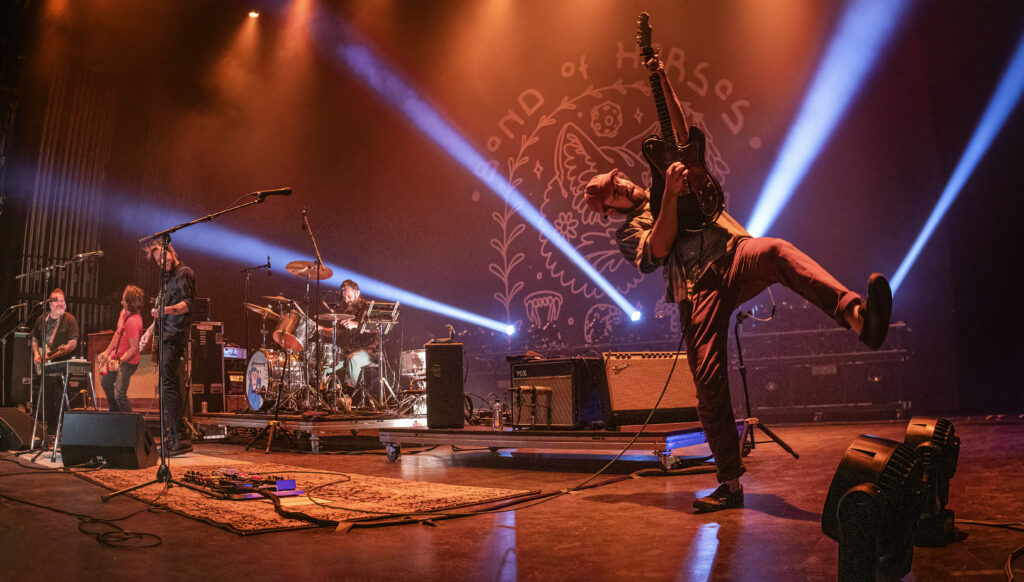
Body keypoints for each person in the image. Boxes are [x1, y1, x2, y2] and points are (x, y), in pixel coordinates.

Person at [583, 55, 893, 513]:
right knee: (708, 381)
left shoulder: (666, 171)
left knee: (777, 250)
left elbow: (680, 131)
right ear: (609, 209)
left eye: (617, 179)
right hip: (698, 288)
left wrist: (661, 77)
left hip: (732, 254)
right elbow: (660, 248)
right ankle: (729, 482)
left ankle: (857, 316)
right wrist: (669, 196)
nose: (621, 185)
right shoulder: (629, 230)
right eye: (613, 191)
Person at [140, 241, 195, 456]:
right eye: (157, 261)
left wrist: (166, 310)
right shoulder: (167, 280)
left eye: (162, 257)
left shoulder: (184, 273)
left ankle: (181, 437)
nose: (161, 262)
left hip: (175, 336)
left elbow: (187, 305)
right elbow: (160, 313)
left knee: (168, 386)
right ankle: (174, 436)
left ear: (171, 250)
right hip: (164, 336)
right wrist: (148, 332)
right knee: (166, 387)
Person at [30, 288, 79, 434]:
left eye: (62, 300)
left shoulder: (70, 320)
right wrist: (36, 354)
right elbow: (34, 339)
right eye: (56, 301)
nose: (60, 303)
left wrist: (57, 354)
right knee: (46, 393)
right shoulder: (41, 319)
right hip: (44, 364)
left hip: (62, 363)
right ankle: (50, 425)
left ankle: (59, 426)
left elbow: (72, 344)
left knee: (59, 393)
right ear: (50, 304)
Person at [98, 285, 145, 413]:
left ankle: (130, 421)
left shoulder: (133, 322)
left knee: (119, 394)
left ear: (129, 303)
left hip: (128, 362)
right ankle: (115, 414)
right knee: (106, 383)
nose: (121, 302)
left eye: (123, 300)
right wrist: (107, 352)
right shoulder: (123, 313)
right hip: (116, 357)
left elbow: (133, 349)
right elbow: (118, 333)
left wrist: (119, 362)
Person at [334, 279, 379, 398]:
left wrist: (355, 324)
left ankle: (348, 396)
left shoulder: (369, 308)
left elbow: (377, 328)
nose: (346, 300)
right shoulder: (347, 311)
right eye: (344, 297)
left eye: (349, 296)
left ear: (357, 293)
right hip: (351, 349)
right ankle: (323, 396)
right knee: (327, 362)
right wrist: (320, 328)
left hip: (370, 350)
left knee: (353, 359)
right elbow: (336, 333)